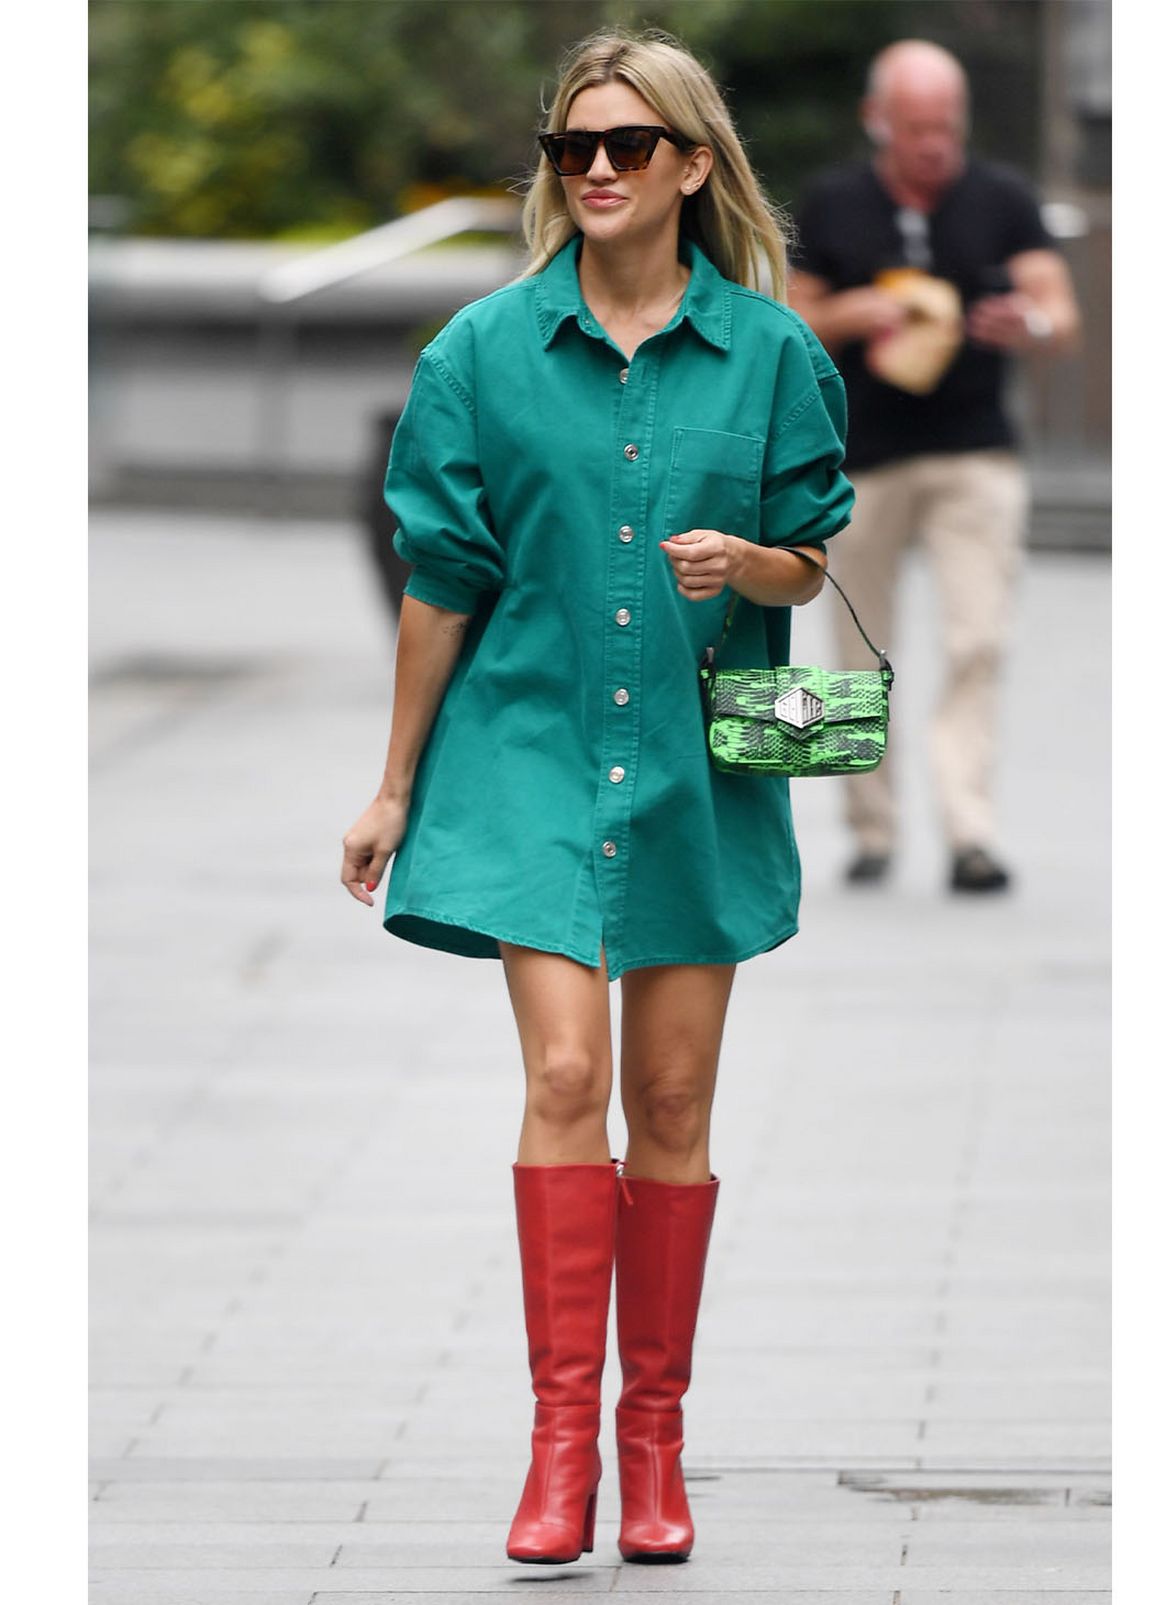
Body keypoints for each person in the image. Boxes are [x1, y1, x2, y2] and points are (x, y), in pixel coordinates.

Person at [339, 28, 853, 1567]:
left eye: (632, 146)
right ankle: (560, 1451)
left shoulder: (774, 355)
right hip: (528, 754)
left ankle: (655, 1447)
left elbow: (813, 554)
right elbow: (441, 581)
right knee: (568, 1082)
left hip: (700, 762)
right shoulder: (481, 352)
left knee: (676, 1102)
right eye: (576, 149)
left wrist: (750, 566)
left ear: (695, 165)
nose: (602, 170)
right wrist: (390, 786)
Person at [788, 39, 1080, 893]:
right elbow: (792, 322)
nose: (933, 143)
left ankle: (970, 832)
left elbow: (1059, 313)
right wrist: (860, 309)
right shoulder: (836, 201)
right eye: (916, 126)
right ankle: (869, 828)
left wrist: (1024, 323)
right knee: (854, 649)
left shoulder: (1001, 198)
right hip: (859, 459)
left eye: (945, 126)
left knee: (979, 639)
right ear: (879, 120)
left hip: (973, 452)